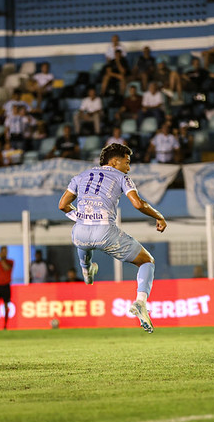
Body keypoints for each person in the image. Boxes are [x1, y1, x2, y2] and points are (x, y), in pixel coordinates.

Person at [58, 143, 167, 333]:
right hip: (105, 232)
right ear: (115, 161)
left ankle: (86, 270)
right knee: (147, 261)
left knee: (83, 239)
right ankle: (141, 302)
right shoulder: (122, 177)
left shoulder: (81, 176)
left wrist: (81, 217)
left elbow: (62, 205)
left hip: (80, 233)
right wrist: (159, 216)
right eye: (127, 162)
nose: (129, 167)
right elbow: (138, 204)